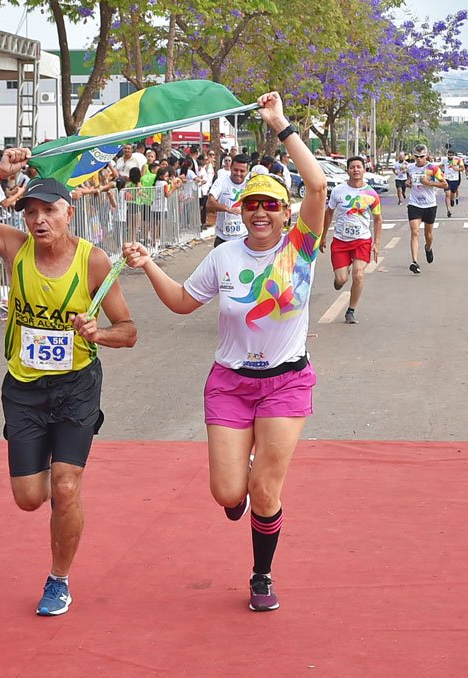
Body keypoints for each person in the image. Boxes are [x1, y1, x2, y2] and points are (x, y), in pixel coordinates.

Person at [123, 91, 327, 613]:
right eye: (252, 204)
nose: (260, 212)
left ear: (286, 213)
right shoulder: (224, 257)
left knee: (265, 488)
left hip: (286, 382)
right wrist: (148, 264)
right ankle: (241, 485)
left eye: (271, 204)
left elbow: (319, 184)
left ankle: (261, 574)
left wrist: (279, 124)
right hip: (231, 385)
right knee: (226, 493)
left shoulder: (301, 247)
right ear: (242, 210)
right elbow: (181, 304)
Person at [0, 149, 137, 617]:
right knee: (30, 499)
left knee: (66, 488)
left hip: (76, 387)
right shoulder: (13, 247)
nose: (39, 220)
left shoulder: (94, 262)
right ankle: (57, 487)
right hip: (24, 389)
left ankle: (58, 579)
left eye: (49, 210)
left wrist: (98, 333)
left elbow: (128, 332)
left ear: (70, 211)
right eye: (31, 211)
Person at [320, 157, 382, 325]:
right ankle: (339, 280)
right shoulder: (338, 191)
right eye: (352, 167)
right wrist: (323, 235)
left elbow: (377, 219)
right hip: (341, 241)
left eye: (359, 167)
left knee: (359, 274)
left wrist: (376, 243)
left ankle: (351, 310)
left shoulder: (371, 193)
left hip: (362, 240)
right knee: (341, 279)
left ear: (364, 170)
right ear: (348, 170)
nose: (356, 170)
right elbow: (329, 213)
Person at [404, 144, 446, 274]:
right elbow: (410, 180)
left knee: (428, 234)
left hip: (429, 204)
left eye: (421, 156)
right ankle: (414, 262)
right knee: (414, 232)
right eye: (416, 156)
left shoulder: (433, 168)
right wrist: (408, 183)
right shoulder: (410, 167)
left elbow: (445, 184)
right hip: (414, 204)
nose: (419, 159)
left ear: (426, 155)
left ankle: (428, 248)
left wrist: (430, 183)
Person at [206, 155, 249, 246]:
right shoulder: (221, 181)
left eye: (242, 171)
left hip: (244, 236)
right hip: (223, 237)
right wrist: (229, 209)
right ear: (231, 168)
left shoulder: (250, 184)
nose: (238, 173)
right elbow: (210, 204)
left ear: (247, 171)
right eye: (235, 170)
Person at [442, 149, 463, 218]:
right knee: (447, 194)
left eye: (451, 155)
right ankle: (448, 210)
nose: (450, 157)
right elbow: (439, 165)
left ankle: (452, 199)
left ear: (454, 155)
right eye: (449, 155)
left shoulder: (458, 159)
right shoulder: (444, 159)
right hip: (446, 179)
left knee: (452, 193)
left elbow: (462, 168)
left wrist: (457, 169)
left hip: (455, 179)